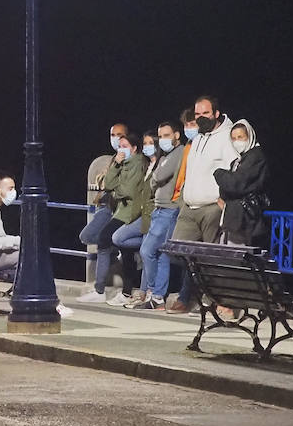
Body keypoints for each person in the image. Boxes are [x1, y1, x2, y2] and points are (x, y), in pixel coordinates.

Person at [166, 95, 240, 313]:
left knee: (211, 259)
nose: (200, 118)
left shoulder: (227, 136)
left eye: (205, 113)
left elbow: (234, 167)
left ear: (216, 114)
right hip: (189, 207)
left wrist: (224, 198)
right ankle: (190, 295)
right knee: (181, 252)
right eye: (197, 114)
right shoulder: (197, 138)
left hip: (211, 207)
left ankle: (214, 300)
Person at [78, 131, 148, 304]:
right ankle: (111, 290)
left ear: (134, 148)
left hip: (129, 212)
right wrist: (116, 165)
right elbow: (108, 185)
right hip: (119, 210)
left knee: (106, 239)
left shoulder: (138, 164)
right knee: (115, 246)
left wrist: (117, 190)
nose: (121, 150)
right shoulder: (122, 163)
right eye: (120, 146)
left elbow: (129, 191)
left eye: (125, 147)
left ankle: (103, 290)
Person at [131, 120, 186, 310]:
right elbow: (156, 177)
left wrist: (156, 178)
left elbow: (159, 176)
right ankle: (157, 297)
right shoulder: (166, 155)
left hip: (169, 209)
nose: (163, 140)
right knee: (160, 254)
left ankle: (154, 292)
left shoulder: (178, 153)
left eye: (166, 136)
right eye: (160, 136)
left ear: (176, 135)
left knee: (148, 251)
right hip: (158, 208)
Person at [215, 119, 269, 246]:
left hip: (246, 219)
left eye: (240, 137)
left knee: (239, 258)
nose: (236, 141)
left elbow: (236, 184)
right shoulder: (238, 160)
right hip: (233, 217)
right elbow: (226, 189)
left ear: (249, 136)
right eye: (233, 138)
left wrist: (218, 173)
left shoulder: (255, 156)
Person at [79, 121, 128, 256]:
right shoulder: (113, 158)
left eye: (119, 135)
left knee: (96, 238)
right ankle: (112, 247)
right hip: (105, 204)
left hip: (117, 208)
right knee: (86, 236)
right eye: (112, 135)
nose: (115, 138)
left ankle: (114, 246)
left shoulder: (131, 159)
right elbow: (104, 181)